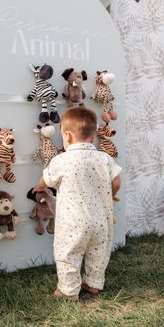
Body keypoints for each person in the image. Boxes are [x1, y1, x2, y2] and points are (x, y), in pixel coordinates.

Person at [33, 107, 122, 301]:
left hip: (72, 222)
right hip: (100, 220)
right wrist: (111, 193)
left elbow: (45, 180)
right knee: (97, 253)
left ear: (67, 135)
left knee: (68, 254)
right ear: (93, 135)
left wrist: (38, 187)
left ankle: (68, 290)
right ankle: (94, 283)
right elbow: (116, 182)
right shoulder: (104, 158)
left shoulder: (61, 160)